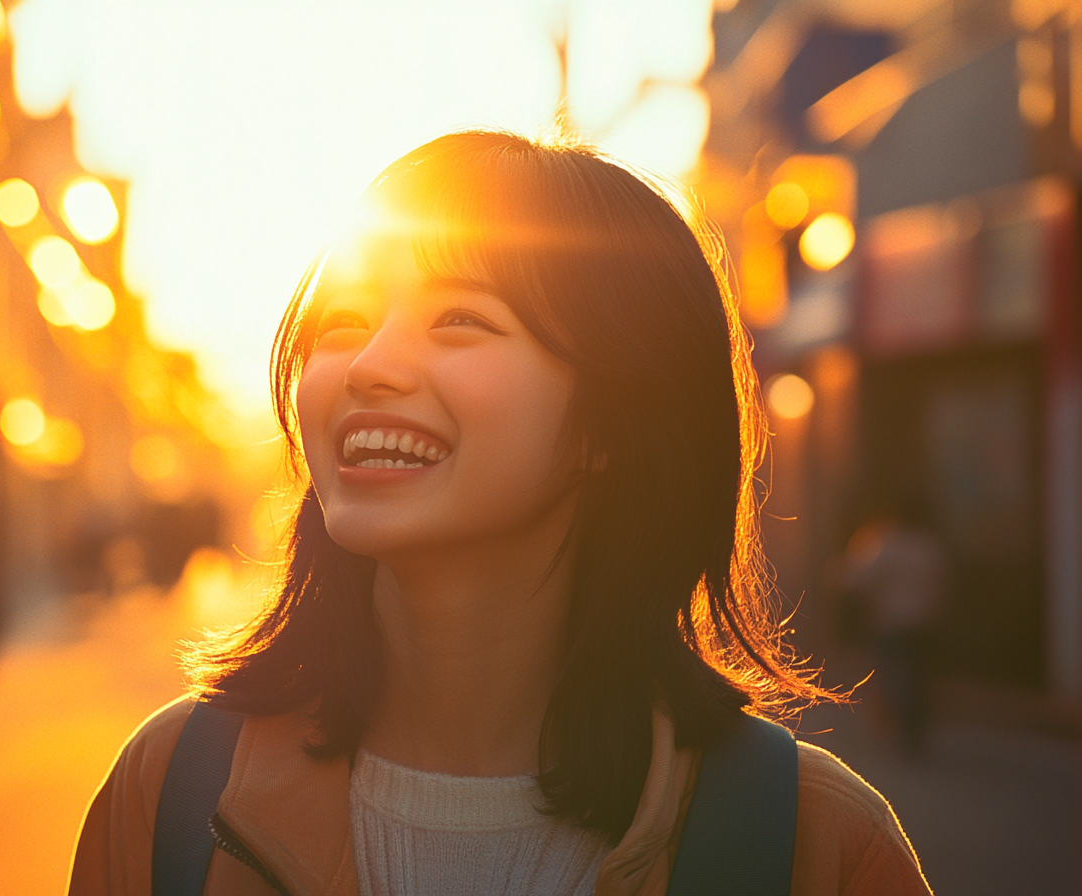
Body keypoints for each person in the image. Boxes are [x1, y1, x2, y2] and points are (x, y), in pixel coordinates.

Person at [69, 132, 931, 895]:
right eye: (344, 320)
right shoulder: (175, 788)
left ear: (611, 422)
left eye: (460, 319)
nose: (370, 366)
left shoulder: (810, 844)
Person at [843, 505, 948, 756]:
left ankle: (894, 724)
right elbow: (944, 584)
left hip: (891, 622)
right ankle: (916, 730)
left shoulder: (887, 544)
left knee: (891, 674)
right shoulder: (930, 547)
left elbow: (859, 579)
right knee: (920, 676)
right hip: (925, 623)